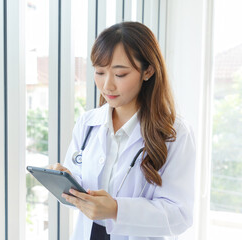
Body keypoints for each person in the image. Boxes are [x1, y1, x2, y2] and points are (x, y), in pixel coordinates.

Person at [48, 21, 196, 240]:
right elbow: (78, 194)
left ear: (148, 71)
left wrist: (117, 210)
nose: (107, 85)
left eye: (120, 75)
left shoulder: (174, 133)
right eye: (99, 72)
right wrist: (68, 184)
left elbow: (180, 215)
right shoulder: (88, 124)